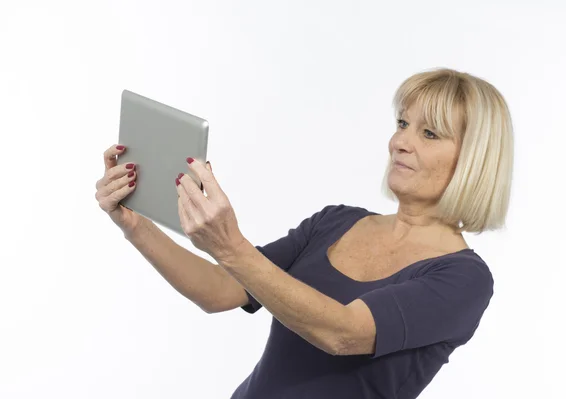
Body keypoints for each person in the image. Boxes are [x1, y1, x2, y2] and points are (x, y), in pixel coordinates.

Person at [94, 67, 513, 399]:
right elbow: (221, 291)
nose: (400, 141)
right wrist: (135, 226)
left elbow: (342, 333)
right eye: (402, 123)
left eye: (429, 133)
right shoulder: (336, 222)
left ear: (474, 160)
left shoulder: (464, 279)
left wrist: (231, 245)